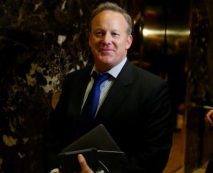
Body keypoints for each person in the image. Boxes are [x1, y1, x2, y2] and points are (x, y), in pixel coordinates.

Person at [43, 2, 174, 173]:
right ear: (90, 39)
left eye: (115, 34)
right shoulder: (73, 81)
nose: (106, 40)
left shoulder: (153, 89)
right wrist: (54, 169)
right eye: (99, 33)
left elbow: (153, 158)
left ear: (128, 41)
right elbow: (53, 134)